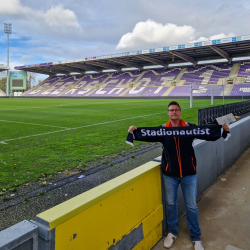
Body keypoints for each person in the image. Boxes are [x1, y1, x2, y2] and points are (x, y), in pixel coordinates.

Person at [128, 101, 230, 250]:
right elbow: (147, 135)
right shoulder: (163, 130)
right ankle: (172, 233)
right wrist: (134, 131)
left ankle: (196, 237)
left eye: (176, 110)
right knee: (171, 204)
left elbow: (206, 132)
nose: (174, 112)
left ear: (180, 112)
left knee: (191, 206)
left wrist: (221, 130)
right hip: (170, 175)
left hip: (189, 174)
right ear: (168, 113)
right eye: (171, 110)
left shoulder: (189, 127)